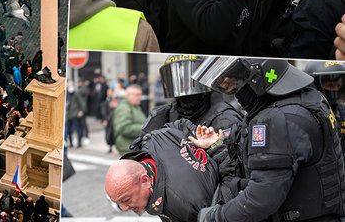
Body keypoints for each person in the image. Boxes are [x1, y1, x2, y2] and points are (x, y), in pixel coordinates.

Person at [191, 57, 345, 221]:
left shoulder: (279, 118)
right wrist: (217, 144)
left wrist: (213, 217)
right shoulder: (305, 98)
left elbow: (260, 198)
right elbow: (256, 162)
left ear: (258, 77)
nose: (232, 88)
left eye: (236, 80)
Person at [104, 119, 220, 221]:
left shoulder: (183, 205)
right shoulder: (152, 140)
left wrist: (211, 144)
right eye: (118, 203)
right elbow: (180, 124)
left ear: (145, 180)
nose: (124, 208)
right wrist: (199, 137)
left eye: (126, 200)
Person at [141, 55, 242, 135]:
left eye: (190, 81)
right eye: (180, 80)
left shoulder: (225, 118)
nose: (184, 86)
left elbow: (231, 158)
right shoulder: (162, 115)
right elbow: (140, 151)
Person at [304, 61, 345, 153]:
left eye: (337, 85)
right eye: (330, 85)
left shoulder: (342, 110)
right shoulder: (306, 115)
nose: (335, 88)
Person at [112, 85, 146, 155]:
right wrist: (144, 127)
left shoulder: (135, 107)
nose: (140, 97)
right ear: (128, 95)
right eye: (137, 95)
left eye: (140, 95)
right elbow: (124, 128)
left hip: (133, 146)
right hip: (127, 147)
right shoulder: (124, 108)